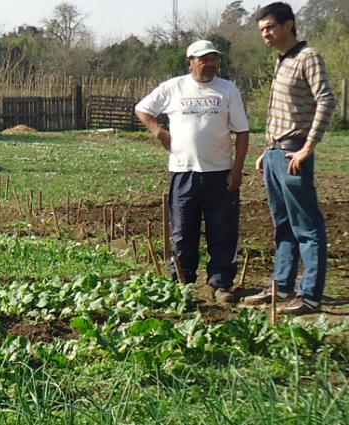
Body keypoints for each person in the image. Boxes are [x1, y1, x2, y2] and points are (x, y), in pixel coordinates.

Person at [135, 39, 251, 305]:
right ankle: (182, 283)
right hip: (184, 172)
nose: (210, 64)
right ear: (190, 63)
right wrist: (159, 131)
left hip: (220, 172)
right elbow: (142, 109)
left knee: (222, 231)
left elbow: (242, 132)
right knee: (183, 231)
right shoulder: (174, 87)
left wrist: (237, 169)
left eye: (213, 59)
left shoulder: (228, 90)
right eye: (204, 59)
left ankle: (220, 284)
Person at [243, 2, 335, 315]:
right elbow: (285, 112)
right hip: (275, 153)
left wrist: (308, 147)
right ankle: (281, 286)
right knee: (282, 224)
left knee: (306, 225)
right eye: (262, 30)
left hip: (294, 152)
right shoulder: (282, 60)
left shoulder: (308, 57)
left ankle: (310, 296)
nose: (265, 34)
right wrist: (266, 150)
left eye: (270, 27)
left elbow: (326, 100)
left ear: (289, 25)